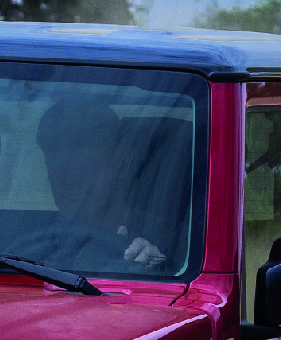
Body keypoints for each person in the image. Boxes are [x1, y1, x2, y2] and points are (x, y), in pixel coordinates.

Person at [21, 100, 172, 271]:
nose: (60, 170)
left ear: (121, 163)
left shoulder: (174, 240)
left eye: (79, 152)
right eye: (52, 155)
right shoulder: (38, 241)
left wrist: (156, 268)